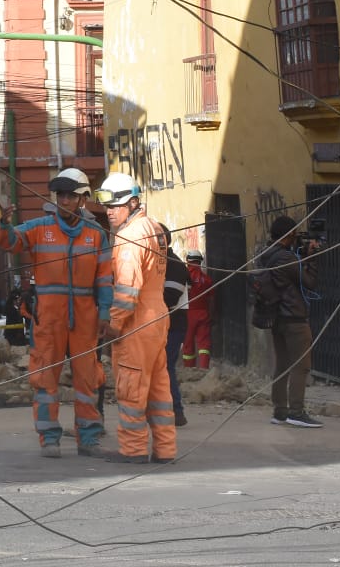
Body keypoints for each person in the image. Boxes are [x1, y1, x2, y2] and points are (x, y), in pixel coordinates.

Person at [0, 168, 113, 458]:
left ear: (83, 199)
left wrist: (105, 312)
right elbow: (10, 241)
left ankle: (89, 438)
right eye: (61, 195)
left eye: (71, 195)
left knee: (87, 380)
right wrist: (3, 224)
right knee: (45, 379)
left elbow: (105, 279)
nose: (65, 200)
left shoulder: (96, 236)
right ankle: (49, 438)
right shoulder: (39, 227)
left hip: (85, 316)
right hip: (48, 316)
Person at [95, 171, 176, 464]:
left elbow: (128, 288)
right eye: (106, 205)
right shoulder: (153, 228)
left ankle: (133, 450)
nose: (109, 211)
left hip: (137, 322)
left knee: (131, 389)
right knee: (158, 388)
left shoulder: (129, 237)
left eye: (115, 205)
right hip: (157, 317)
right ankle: (165, 450)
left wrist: (114, 325)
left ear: (132, 203)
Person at [257, 215, 322, 428]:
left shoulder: (266, 255)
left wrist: (302, 257)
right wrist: (312, 259)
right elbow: (309, 283)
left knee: (282, 364)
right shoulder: (285, 257)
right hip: (293, 317)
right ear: (289, 235)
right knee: (300, 366)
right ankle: (296, 411)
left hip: (276, 317)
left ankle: (280, 410)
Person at [162, 233, 190, 427]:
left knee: (165, 366)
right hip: (161, 323)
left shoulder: (174, 265)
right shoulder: (159, 262)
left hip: (173, 323)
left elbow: (170, 297)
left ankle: (176, 410)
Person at [183, 249, 214, 369]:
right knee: (204, 343)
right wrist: (211, 315)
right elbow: (211, 300)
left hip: (188, 314)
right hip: (203, 314)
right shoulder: (207, 280)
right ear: (200, 262)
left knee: (188, 343)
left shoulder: (184, 277)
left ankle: (189, 369)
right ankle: (203, 369)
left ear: (188, 261)